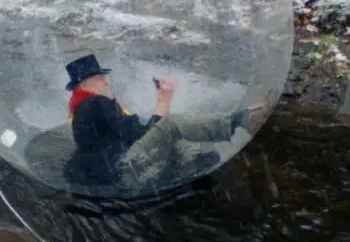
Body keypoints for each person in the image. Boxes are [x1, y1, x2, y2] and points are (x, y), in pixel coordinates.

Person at [62, 53, 270, 189]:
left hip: (111, 168)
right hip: (121, 170)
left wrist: (162, 100)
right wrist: (164, 97)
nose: (105, 81)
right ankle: (241, 120)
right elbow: (142, 134)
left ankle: (190, 160)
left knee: (168, 128)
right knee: (172, 125)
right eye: (100, 77)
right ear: (87, 83)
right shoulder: (97, 104)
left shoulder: (83, 107)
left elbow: (135, 132)